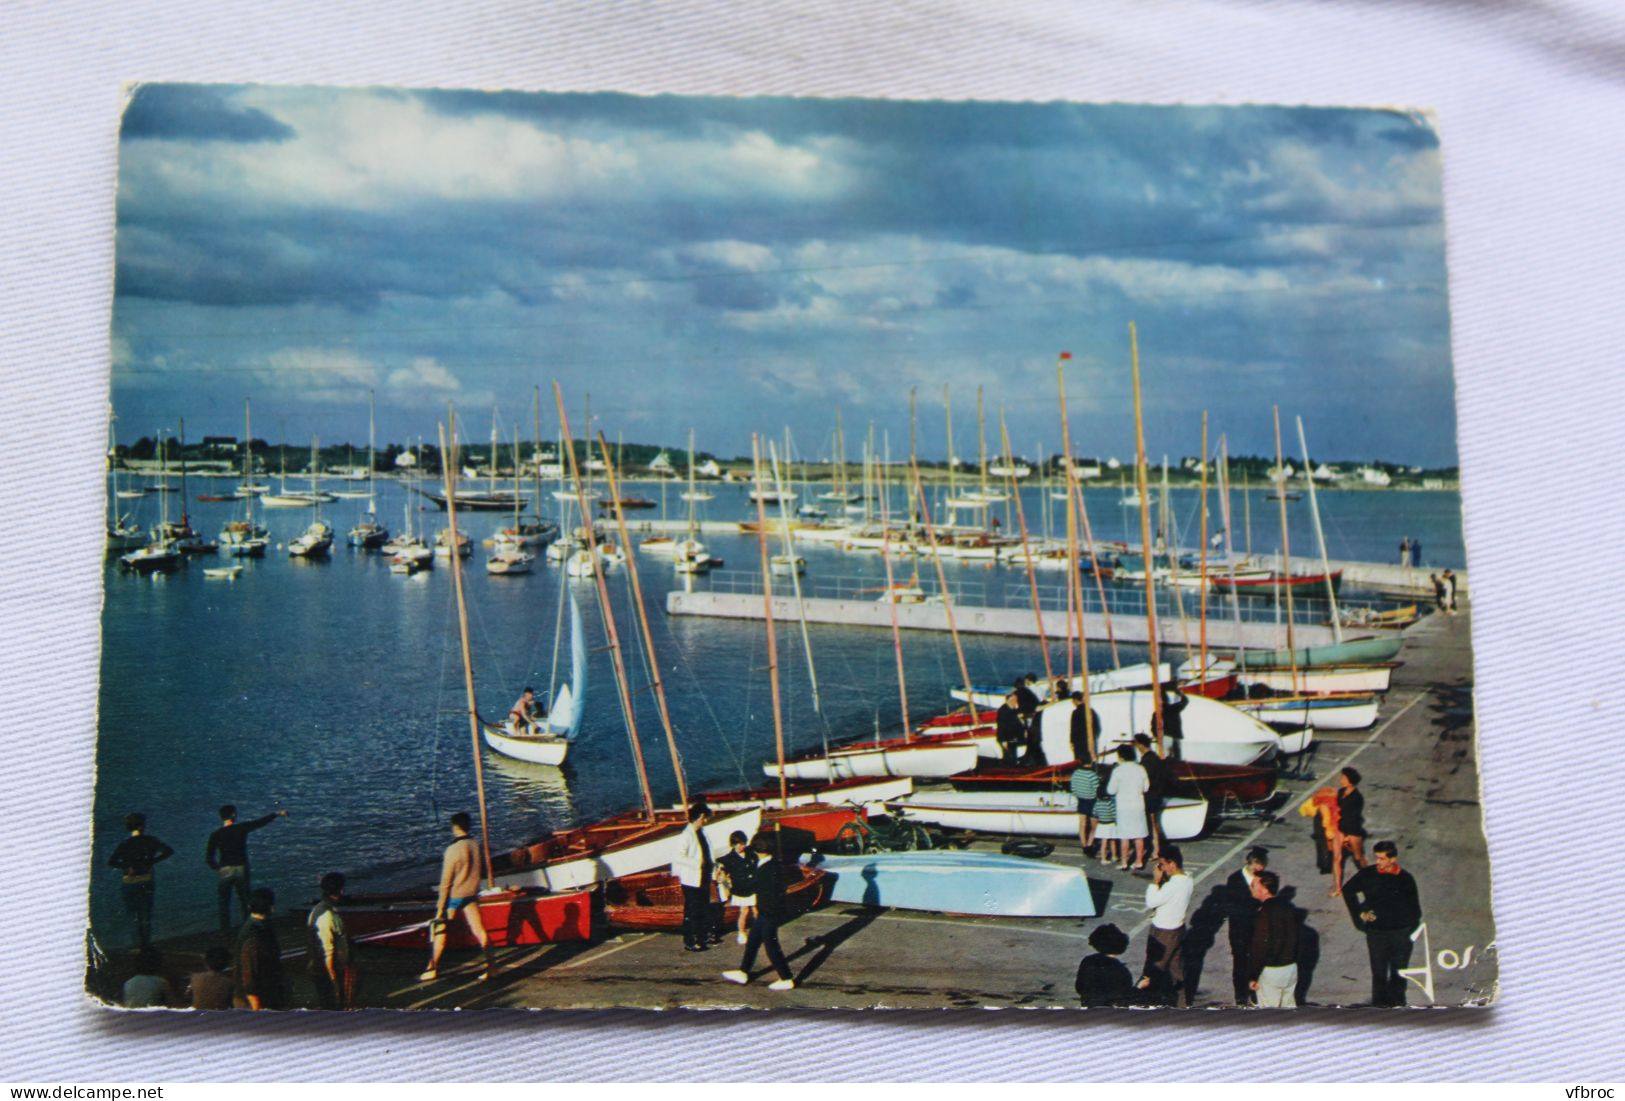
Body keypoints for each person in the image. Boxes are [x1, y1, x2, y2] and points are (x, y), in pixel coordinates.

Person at [1341, 840, 1423, 1007]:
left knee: (1398, 973)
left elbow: (1415, 910)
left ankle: (1398, 1005)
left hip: (1400, 934)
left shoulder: (1405, 879)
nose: (1378, 862)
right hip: (1377, 933)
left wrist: (1407, 931)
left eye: (1382, 859)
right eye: (1377, 858)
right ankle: (1379, 1007)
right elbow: (1348, 890)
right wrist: (1360, 914)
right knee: (1378, 973)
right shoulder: (1368, 874)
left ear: (1393, 859)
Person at [419, 812, 493, 982]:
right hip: (471, 894)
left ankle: (432, 968)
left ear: (455, 827)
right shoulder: (475, 844)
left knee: (440, 931)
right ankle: (492, 967)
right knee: (480, 932)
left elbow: (445, 883)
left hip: (455, 897)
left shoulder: (452, 850)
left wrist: (439, 910)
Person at [721, 833, 796, 991]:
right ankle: (743, 972)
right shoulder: (774, 863)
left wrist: (726, 885)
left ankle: (786, 978)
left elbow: (747, 888)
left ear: (757, 850)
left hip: (769, 911)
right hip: (769, 910)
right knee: (753, 941)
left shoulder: (764, 868)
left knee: (771, 945)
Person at [205, 804, 288, 936]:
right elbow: (259, 823)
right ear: (233, 815)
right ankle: (247, 926)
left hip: (225, 868)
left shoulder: (216, 834)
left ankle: (225, 929)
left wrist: (217, 868)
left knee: (224, 901)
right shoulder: (240, 828)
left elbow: (209, 856)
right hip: (241, 867)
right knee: (245, 899)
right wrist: (276, 814)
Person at [108, 812, 174, 950]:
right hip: (146, 879)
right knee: (146, 914)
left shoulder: (125, 844)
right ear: (142, 826)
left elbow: (111, 861)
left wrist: (126, 867)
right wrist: (153, 861)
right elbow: (168, 851)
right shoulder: (150, 840)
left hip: (128, 881)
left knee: (133, 916)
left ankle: (136, 944)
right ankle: (146, 944)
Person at [1137, 845, 1193, 1006]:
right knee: (1176, 969)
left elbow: (1151, 901)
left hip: (1163, 932)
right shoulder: (1187, 879)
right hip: (1178, 929)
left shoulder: (1172, 886)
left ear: (1172, 864)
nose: (1160, 868)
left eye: (1162, 864)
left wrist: (1155, 881)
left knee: (1153, 970)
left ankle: (1147, 1004)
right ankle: (1182, 1004)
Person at [1223, 847, 1269, 1005]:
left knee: (1258, 960)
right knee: (1240, 962)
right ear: (1251, 864)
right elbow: (1232, 908)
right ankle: (1241, 995)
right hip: (1240, 930)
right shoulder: (1234, 880)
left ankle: (1254, 989)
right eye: (1257, 868)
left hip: (1257, 928)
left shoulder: (1263, 878)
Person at [1247, 870, 1300, 1008]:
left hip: (1271, 971)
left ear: (1264, 889)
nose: (1251, 887)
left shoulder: (1264, 913)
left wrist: (1253, 975)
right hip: (1290, 968)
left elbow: (1260, 946)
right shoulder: (1288, 908)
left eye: (1253, 884)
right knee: (1288, 1009)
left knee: (1268, 1016)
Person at [306, 871, 356, 1009]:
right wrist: (334, 982)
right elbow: (327, 953)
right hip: (329, 973)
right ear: (341, 890)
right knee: (335, 1007)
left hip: (325, 970)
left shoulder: (320, 910)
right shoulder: (327, 916)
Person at [234, 887, 289, 1010]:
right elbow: (249, 973)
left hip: (258, 994)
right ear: (271, 907)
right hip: (257, 1000)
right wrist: (256, 1006)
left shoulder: (254, 927)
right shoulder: (255, 933)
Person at [673, 801, 717, 952]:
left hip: (703, 877)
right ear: (701, 816)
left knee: (702, 908)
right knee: (693, 911)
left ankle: (701, 936)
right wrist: (698, 862)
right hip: (691, 879)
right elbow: (679, 857)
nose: (706, 821)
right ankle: (691, 940)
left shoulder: (701, 833)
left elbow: (708, 851)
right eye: (705, 818)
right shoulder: (686, 835)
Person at [1107, 745, 1150, 870]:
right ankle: (1139, 861)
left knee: (1124, 836)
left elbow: (1111, 790)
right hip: (1138, 804)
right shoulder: (1140, 769)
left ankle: (1124, 862)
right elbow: (1146, 787)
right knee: (1139, 835)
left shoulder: (1118, 770)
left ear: (1121, 756)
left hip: (1123, 806)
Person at [1074, 922, 1134, 1007]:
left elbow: (1079, 987)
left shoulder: (1088, 961)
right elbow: (1126, 995)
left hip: (1090, 1005)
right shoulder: (1121, 970)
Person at [716, 831, 758, 946]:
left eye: (742, 843)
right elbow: (719, 863)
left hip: (754, 886)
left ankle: (759, 931)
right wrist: (721, 873)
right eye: (737, 844)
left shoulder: (751, 853)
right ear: (733, 844)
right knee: (744, 911)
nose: (740, 846)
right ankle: (741, 932)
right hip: (741, 889)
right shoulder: (729, 858)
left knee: (756, 910)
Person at [1331, 767, 1368, 896]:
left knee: (1358, 857)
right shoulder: (1341, 792)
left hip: (1352, 830)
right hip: (1341, 828)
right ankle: (1337, 888)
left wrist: (1347, 837)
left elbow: (1353, 817)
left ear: (1350, 780)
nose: (1340, 780)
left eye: (1343, 778)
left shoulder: (1357, 797)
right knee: (1336, 858)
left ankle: (1370, 879)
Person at [1133, 733, 1170, 861]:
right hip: (1157, 794)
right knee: (1153, 823)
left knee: (1151, 823)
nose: (1136, 747)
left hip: (1150, 795)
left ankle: (1155, 850)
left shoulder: (1147, 761)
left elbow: (1144, 780)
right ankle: (1156, 849)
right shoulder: (1155, 758)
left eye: (1136, 744)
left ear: (1141, 745)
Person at [1299, 787, 1341, 876]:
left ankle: (1325, 865)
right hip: (1327, 824)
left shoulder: (1323, 805)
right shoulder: (1329, 805)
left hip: (1322, 824)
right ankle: (1327, 863)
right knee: (1327, 844)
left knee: (1322, 844)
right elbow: (1327, 820)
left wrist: (1328, 829)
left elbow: (1326, 820)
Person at [186, 946, 234, 1010]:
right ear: (228, 963)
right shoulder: (229, 983)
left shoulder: (195, 977)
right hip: (219, 1016)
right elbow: (232, 1004)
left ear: (205, 962)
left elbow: (188, 996)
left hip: (197, 1015)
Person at [1069, 761, 1100, 856]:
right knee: (1094, 826)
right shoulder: (1092, 775)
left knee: (1082, 825)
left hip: (1081, 800)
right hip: (1092, 801)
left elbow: (1073, 788)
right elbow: (1097, 789)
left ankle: (1084, 845)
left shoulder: (1076, 773)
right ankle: (1090, 845)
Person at [1092, 762, 1119, 866]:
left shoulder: (1097, 804)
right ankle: (1114, 856)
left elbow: (1095, 813)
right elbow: (1114, 813)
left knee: (1104, 842)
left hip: (1102, 824)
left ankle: (1103, 858)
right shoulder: (1110, 803)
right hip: (1111, 823)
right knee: (1113, 841)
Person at [995, 691, 1026, 765]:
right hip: (1006, 738)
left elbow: (1018, 723)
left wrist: (1024, 730)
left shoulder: (1014, 710)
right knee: (1009, 757)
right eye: (1014, 700)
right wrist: (1003, 740)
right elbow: (1001, 726)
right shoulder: (1003, 711)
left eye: (1016, 700)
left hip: (1013, 737)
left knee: (1013, 755)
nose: (1015, 702)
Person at [1068, 692, 1098, 764]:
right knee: (1090, 761)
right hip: (1090, 741)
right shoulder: (1091, 710)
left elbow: (1074, 729)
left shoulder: (1076, 713)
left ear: (1075, 700)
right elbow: (1096, 727)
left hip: (1079, 743)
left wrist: (1072, 741)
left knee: (1080, 763)